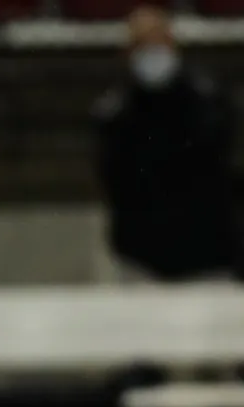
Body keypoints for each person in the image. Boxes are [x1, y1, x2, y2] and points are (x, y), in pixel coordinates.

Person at [95, 6, 238, 282]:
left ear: (173, 46)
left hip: (208, 259)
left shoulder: (208, 104)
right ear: (128, 54)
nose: (152, 54)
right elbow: (114, 184)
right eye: (142, 46)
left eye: (158, 43)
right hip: (141, 262)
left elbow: (219, 174)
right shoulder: (114, 117)